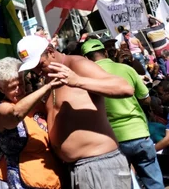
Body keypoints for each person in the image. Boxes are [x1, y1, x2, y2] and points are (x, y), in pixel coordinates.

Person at [16, 35, 134, 189]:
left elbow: (125, 88)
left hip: (99, 165)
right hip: (73, 169)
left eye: (40, 65)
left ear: (51, 51)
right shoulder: (50, 78)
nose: (37, 71)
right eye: (33, 68)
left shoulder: (77, 64)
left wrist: (77, 81)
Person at [81, 39, 163, 189]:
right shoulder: (126, 69)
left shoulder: (85, 79)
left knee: (125, 184)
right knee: (154, 182)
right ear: (105, 52)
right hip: (139, 133)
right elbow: (146, 99)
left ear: (86, 59)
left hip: (112, 140)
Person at [0, 57, 63, 189]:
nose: (20, 90)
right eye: (12, 87)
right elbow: (16, 113)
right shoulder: (2, 109)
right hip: (22, 178)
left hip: (50, 173)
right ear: (1, 89)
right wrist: (48, 87)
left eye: (21, 83)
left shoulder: (36, 102)